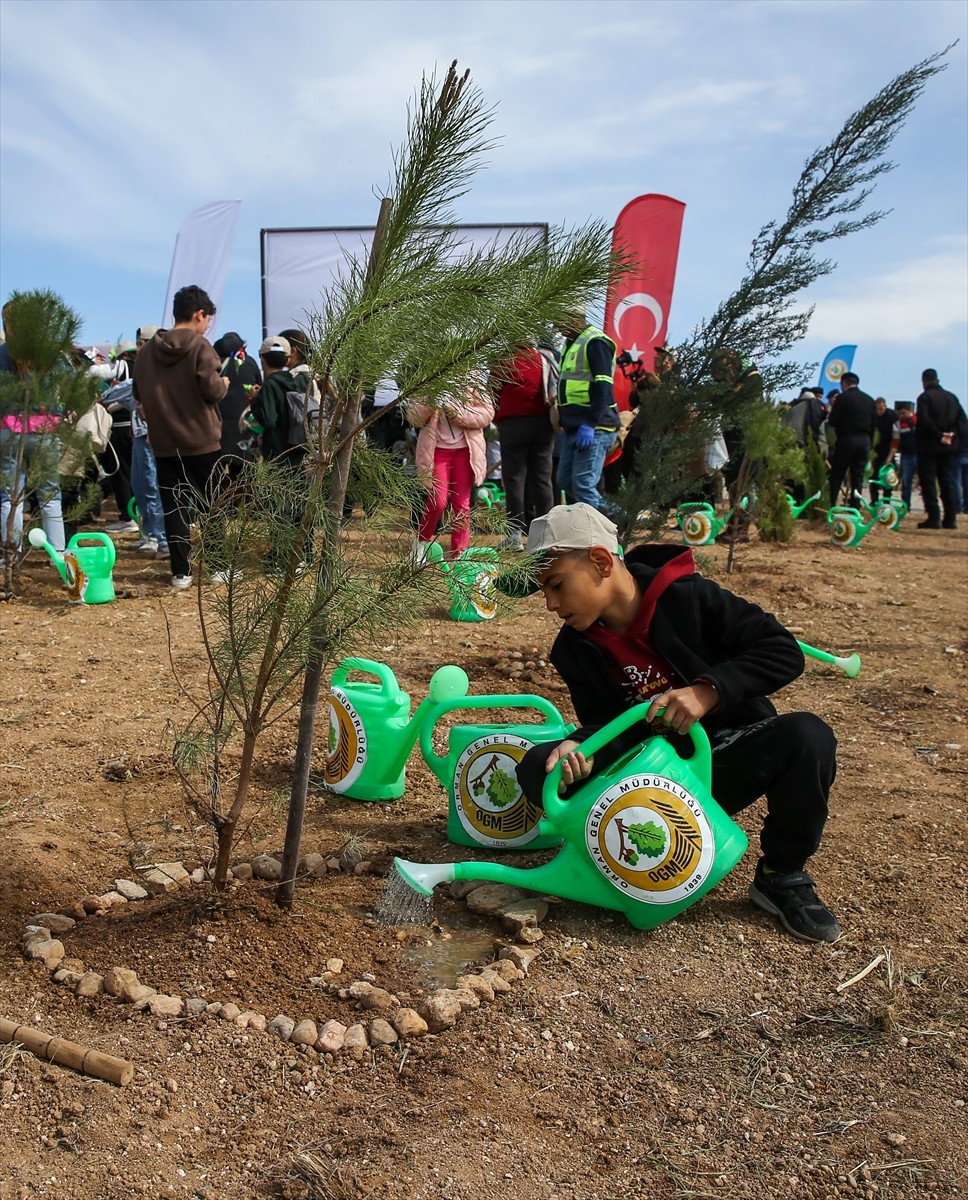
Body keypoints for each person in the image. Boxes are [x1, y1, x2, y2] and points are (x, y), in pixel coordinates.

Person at [501, 502, 841, 944]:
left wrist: (708, 690)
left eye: (556, 585)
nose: (549, 604)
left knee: (808, 736)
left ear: (601, 561)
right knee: (537, 767)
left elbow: (782, 650)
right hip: (648, 785)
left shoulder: (690, 597)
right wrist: (581, 749)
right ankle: (617, 856)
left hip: (722, 760)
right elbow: (606, 725)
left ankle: (781, 874)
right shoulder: (573, 649)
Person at [132, 285, 229, 588]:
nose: (207, 325)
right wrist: (224, 382)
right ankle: (217, 567)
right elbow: (211, 390)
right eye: (207, 319)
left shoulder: (146, 352)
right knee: (212, 504)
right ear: (199, 314)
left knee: (174, 507)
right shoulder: (201, 348)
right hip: (201, 440)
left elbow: (139, 395)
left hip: (163, 443)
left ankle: (180, 573)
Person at [408, 383, 495, 561]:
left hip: (465, 451)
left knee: (461, 505)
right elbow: (413, 417)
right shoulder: (430, 379)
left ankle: (459, 554)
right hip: (436, 451)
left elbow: (486, 414)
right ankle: (421, 544)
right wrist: (431, 403)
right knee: (438, 501)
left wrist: (457, 412)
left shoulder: (473, 380)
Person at [491, 344, 556, 550]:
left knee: (514, 481)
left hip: (512, 426)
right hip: (542, 423)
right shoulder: (544, 357)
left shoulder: (503, 361)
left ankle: (514, 536)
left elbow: (493, 393)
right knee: (542, 480)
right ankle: (545, 536)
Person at [555, 309, 620, 512]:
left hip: (595, 426)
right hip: (574, 426)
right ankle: (609, 518)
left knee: (583, 485)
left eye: (559, 321)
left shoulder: (595, 342)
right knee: (565, 481)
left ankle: (616, 522)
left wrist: (590, 423)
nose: (556, 327)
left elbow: (603, 386)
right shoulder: (571, 343)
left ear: (574, 318)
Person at [915, 369, 965, 530]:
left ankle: (934, 516)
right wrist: (952, 434)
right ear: (938, 379)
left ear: (924, 381)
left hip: (929, 446)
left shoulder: (925, 398)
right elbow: (962, 419)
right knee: (947, 481)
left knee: (928, 482)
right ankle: (950, 518)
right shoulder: (952, 397)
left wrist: (938, 435)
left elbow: (924, 420)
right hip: (949, 447)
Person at [827, 372, 875, 506]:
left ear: (843, 383)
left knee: (837, 474)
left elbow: (833, 421)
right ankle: (855, 506)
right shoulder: (870, 400)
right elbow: (873, 425)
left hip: (847, 440)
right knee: (858, 476)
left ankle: (833, 504)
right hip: (864, 441)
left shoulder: (843, 398)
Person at [868, 397, 900, 505]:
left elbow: (896, 438)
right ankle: (874, 501)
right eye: (877, 410)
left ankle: (887, 501)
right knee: (873, 478)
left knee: (887, 477)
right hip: (875, 450)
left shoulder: (893, 417)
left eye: (881, 409)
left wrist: (890, 456)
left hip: (888, 448)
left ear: (885, 407)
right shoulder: (871, 416)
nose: (879, 412)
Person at [894, 401, 918, 510]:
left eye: (904, 413)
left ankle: (929, 507)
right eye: (900, 413)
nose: (902, 415)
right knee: (906, 482)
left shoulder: (919, 421)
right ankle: (905, 505)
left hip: (921, 455)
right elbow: (895, 441)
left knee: (927, 483)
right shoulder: (898, 424)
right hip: (906, 456)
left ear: (910, 411)